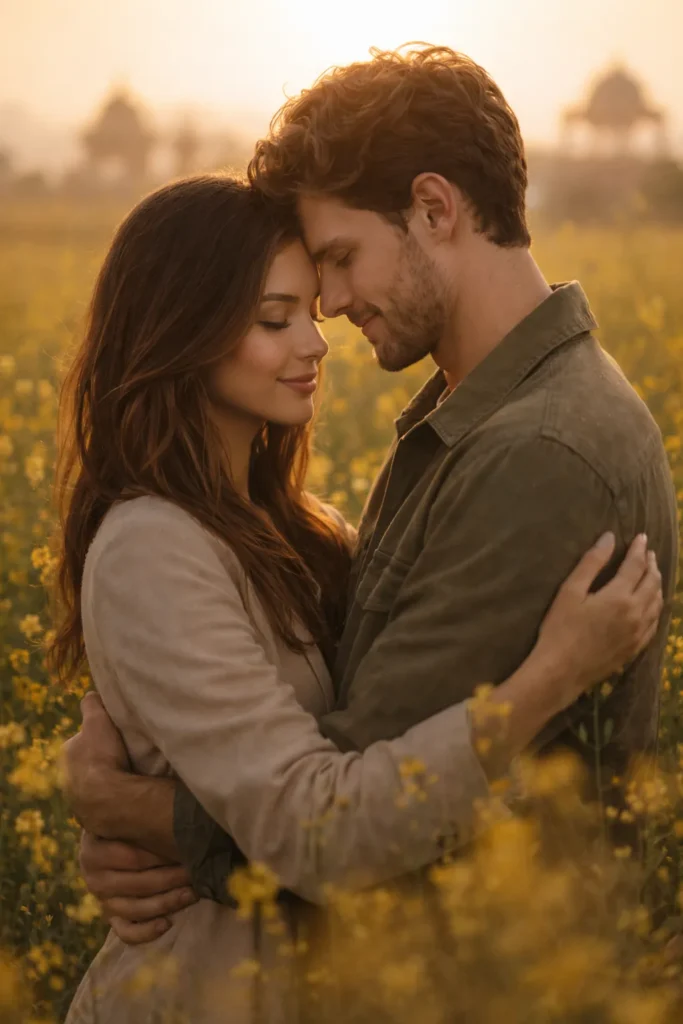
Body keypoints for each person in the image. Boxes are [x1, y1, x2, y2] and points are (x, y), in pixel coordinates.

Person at [60, 44, 676, 1016]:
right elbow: (309, 785)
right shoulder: (460, 424)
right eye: (287, 309)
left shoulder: (536, 453)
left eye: (334, 267)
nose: (329, 315)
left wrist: (128, 808)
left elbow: (333, 818)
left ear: (434, 209)